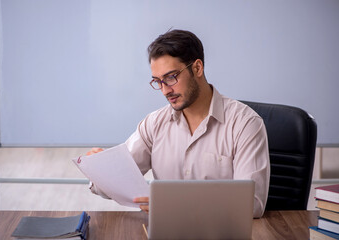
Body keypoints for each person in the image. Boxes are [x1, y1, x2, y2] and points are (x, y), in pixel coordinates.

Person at [88, 29, 270, 218]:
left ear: (197, 68)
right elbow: (121, 180)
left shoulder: (245, 124)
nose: (165, 90)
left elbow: (252, 204)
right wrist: (101, 170)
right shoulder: (154, 124)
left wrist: (175, 204)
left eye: (171, 77)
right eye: (158, 81)